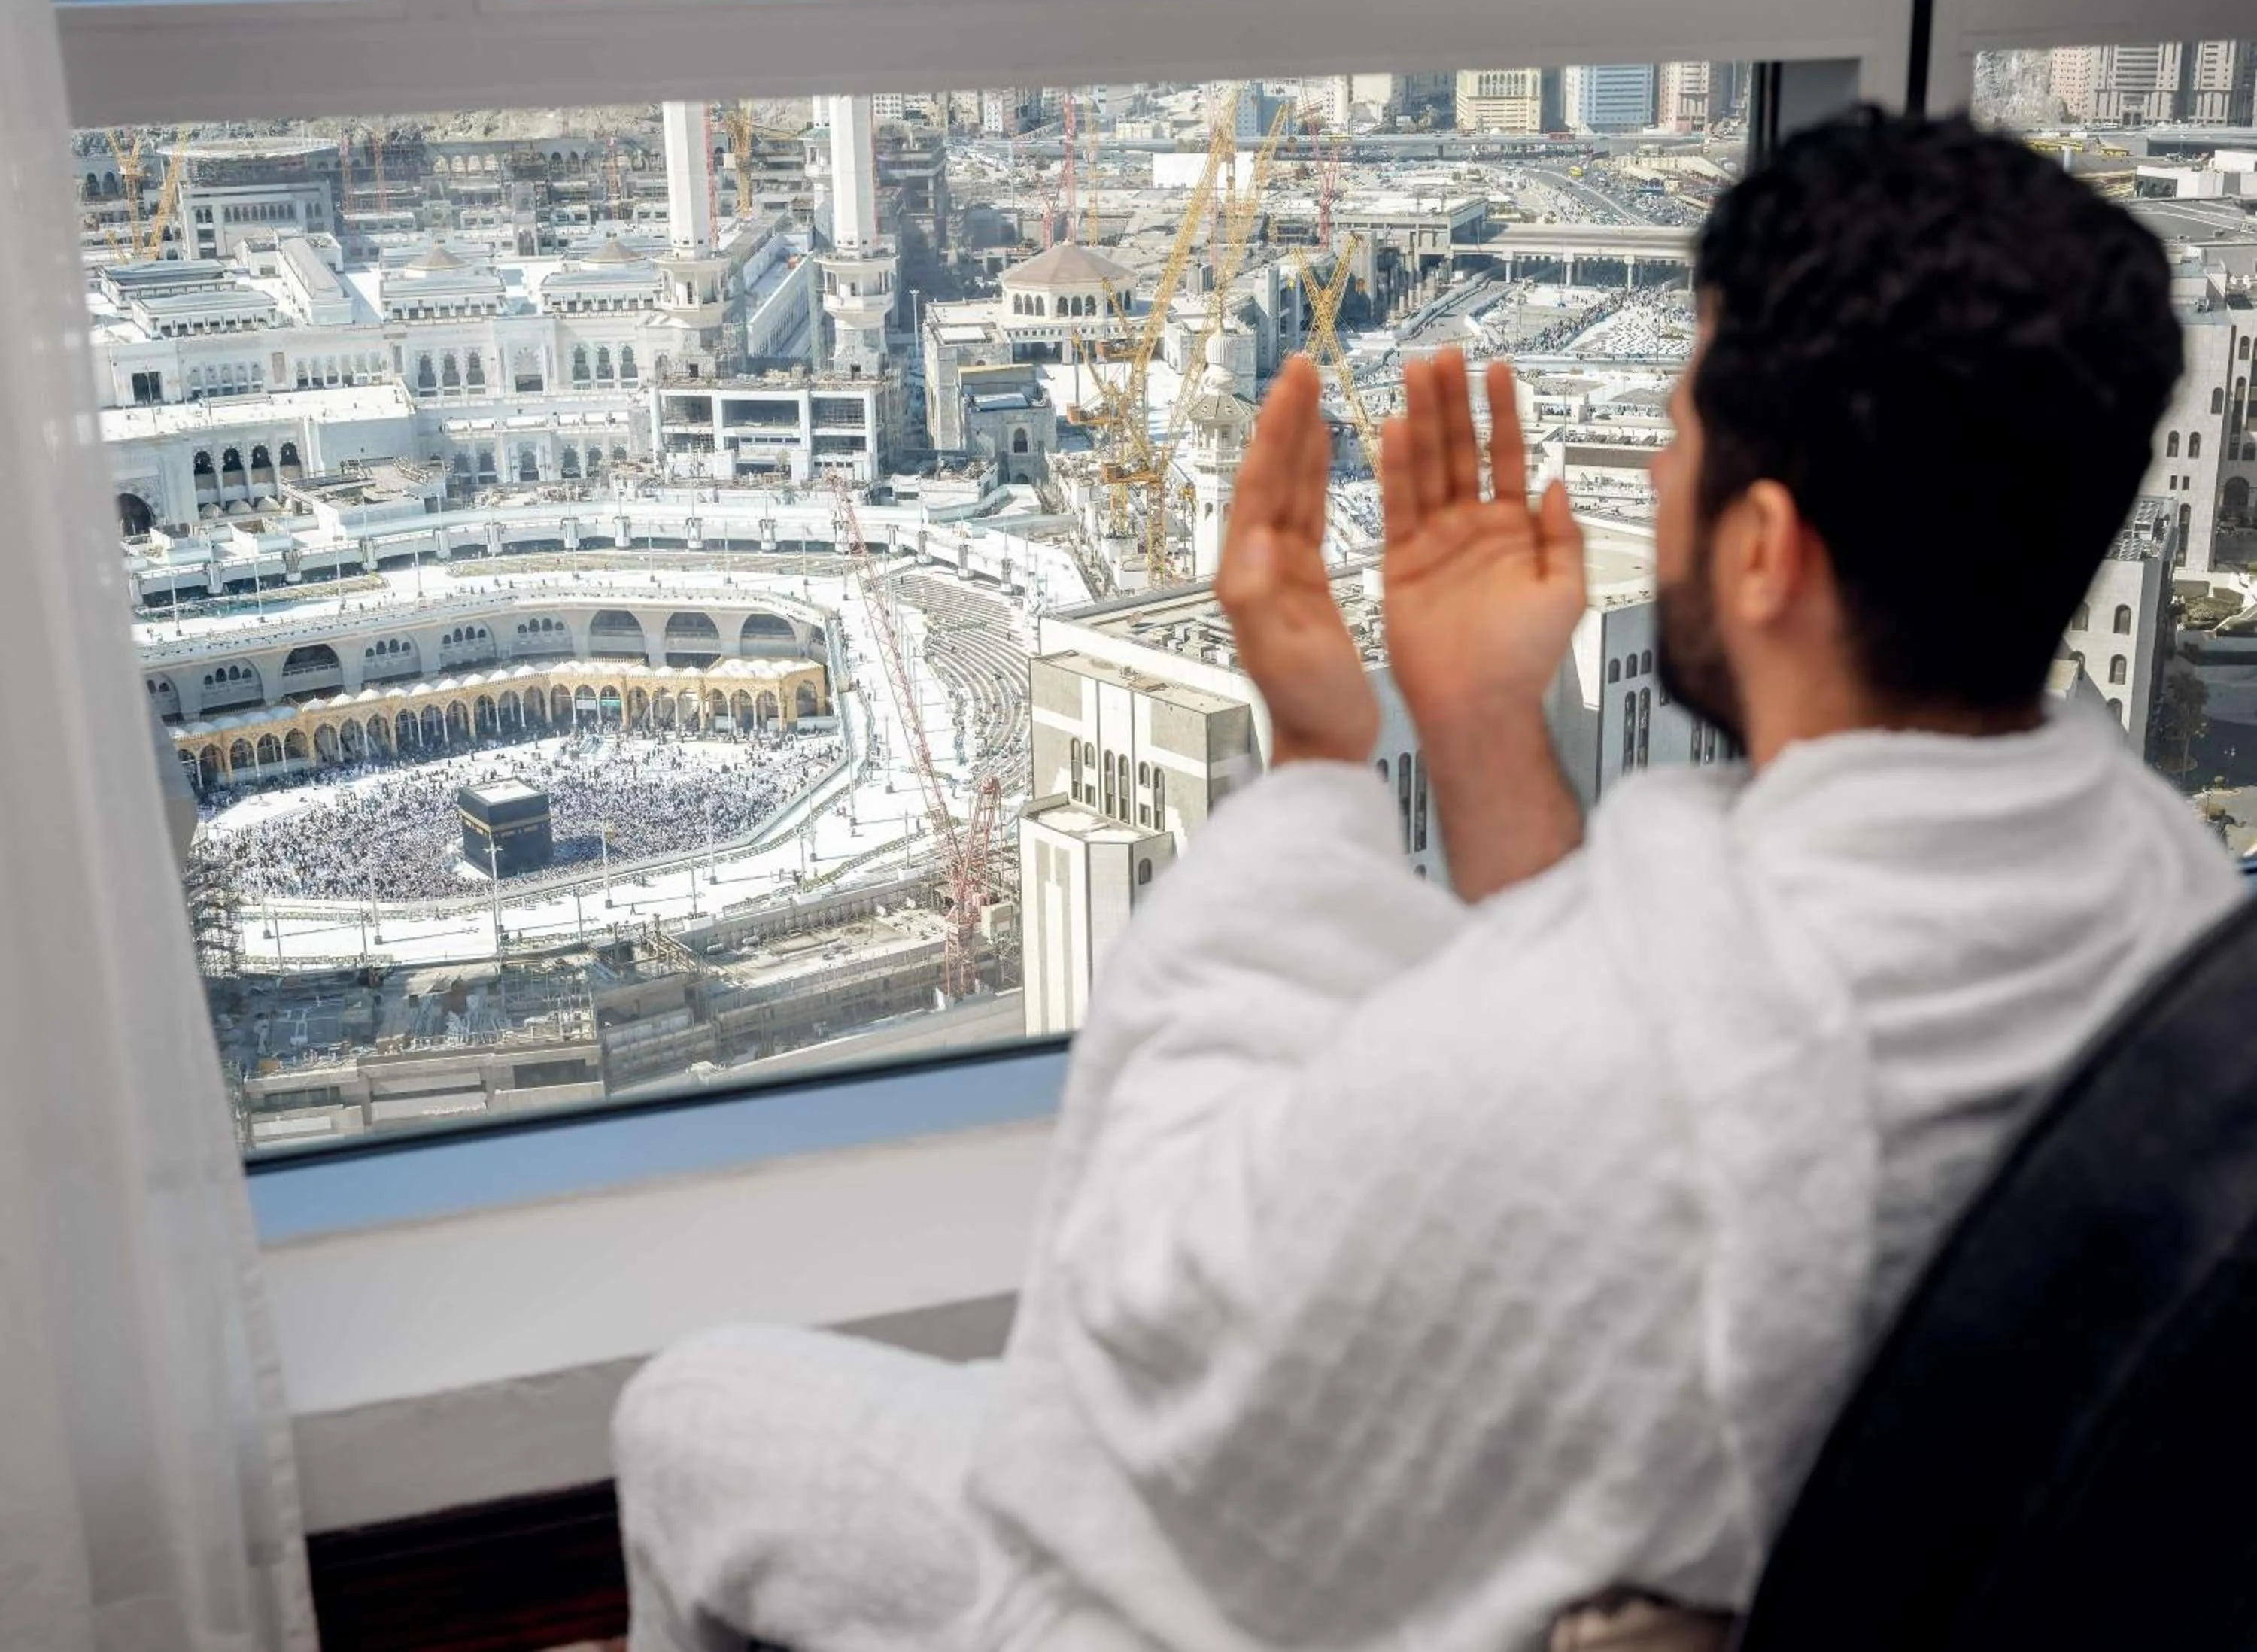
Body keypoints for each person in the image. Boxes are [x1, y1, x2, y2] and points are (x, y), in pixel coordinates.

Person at [612, 110, 2242, 1652]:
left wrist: (1317, 765)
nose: (1653, 486)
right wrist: (1472, 717)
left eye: (1674, 434)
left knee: (691, 1416)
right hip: (1789, 1546)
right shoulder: (2161, 899)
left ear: (1766, 554)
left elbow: (1154, 1329)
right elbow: (1657, 1027)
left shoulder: (1617, 1074)